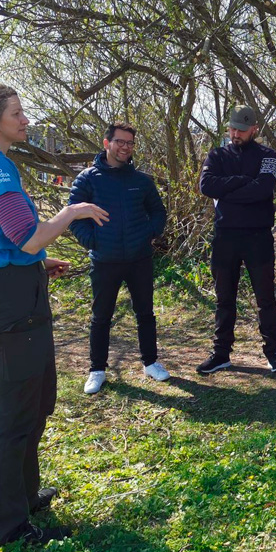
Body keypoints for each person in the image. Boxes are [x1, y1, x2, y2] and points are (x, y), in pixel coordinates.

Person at [0, 81, 108, 548]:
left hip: (14, 290)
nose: (25, 120)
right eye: (17, 113)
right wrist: (73, 211)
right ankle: (8, 527)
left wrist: (33, 266)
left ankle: (25, 496)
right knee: (14, 417)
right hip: (11, 302)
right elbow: (28, 235)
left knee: (36, 403)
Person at [68, 121, 169, 395]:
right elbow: (73, 216)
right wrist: (93, 241)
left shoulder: (141, 181)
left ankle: (151, 363)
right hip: (105, 260)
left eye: (130, 143)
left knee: (145, 313)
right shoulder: (88, 179)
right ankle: (97, 370)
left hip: (139, 258)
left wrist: (150, 233)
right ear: (106, 143)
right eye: (120, 142)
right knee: (101, 317)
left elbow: (158, 212)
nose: (125, 147)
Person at [196, 105, 276, 375]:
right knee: (224, 298)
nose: (235, 134)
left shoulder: (268, 155)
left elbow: (263, 188)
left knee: (266, 298)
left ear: (254, 130)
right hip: (225, 237)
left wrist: (227, 191)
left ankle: (273, 354)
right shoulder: (217, 154)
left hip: (258, 237)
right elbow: (206, 186)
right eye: (232, 129)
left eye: (242, 130)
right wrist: (241, 181)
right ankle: (221, 353)